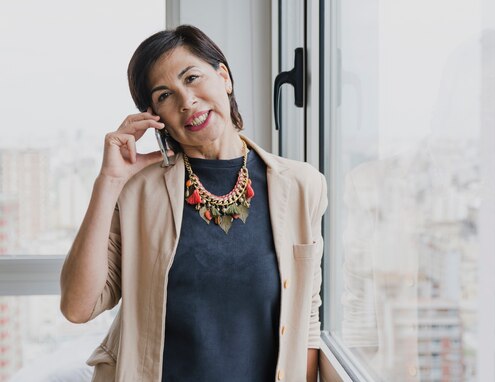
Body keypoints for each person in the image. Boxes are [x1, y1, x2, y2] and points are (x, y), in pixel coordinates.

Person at [59, 24, 327, 382]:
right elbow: (78, 307)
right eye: (164, 96)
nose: (187, 101)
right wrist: (109, 182)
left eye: (192, 77)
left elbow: (305, 319)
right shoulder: (137, 191)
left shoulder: (301, 185)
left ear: (224, 77)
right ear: (156, 118)